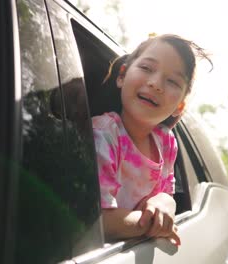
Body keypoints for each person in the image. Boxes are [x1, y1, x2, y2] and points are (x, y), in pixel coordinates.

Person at [92, 34, 212, 246]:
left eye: (173, 81)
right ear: (122, 75)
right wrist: (155, 224)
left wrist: (165, 202)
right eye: (147, 68)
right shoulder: (103, 134)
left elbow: (166, 196)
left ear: (180, 106)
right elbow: (98, 221)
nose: (156, 84)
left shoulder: (166, 142)